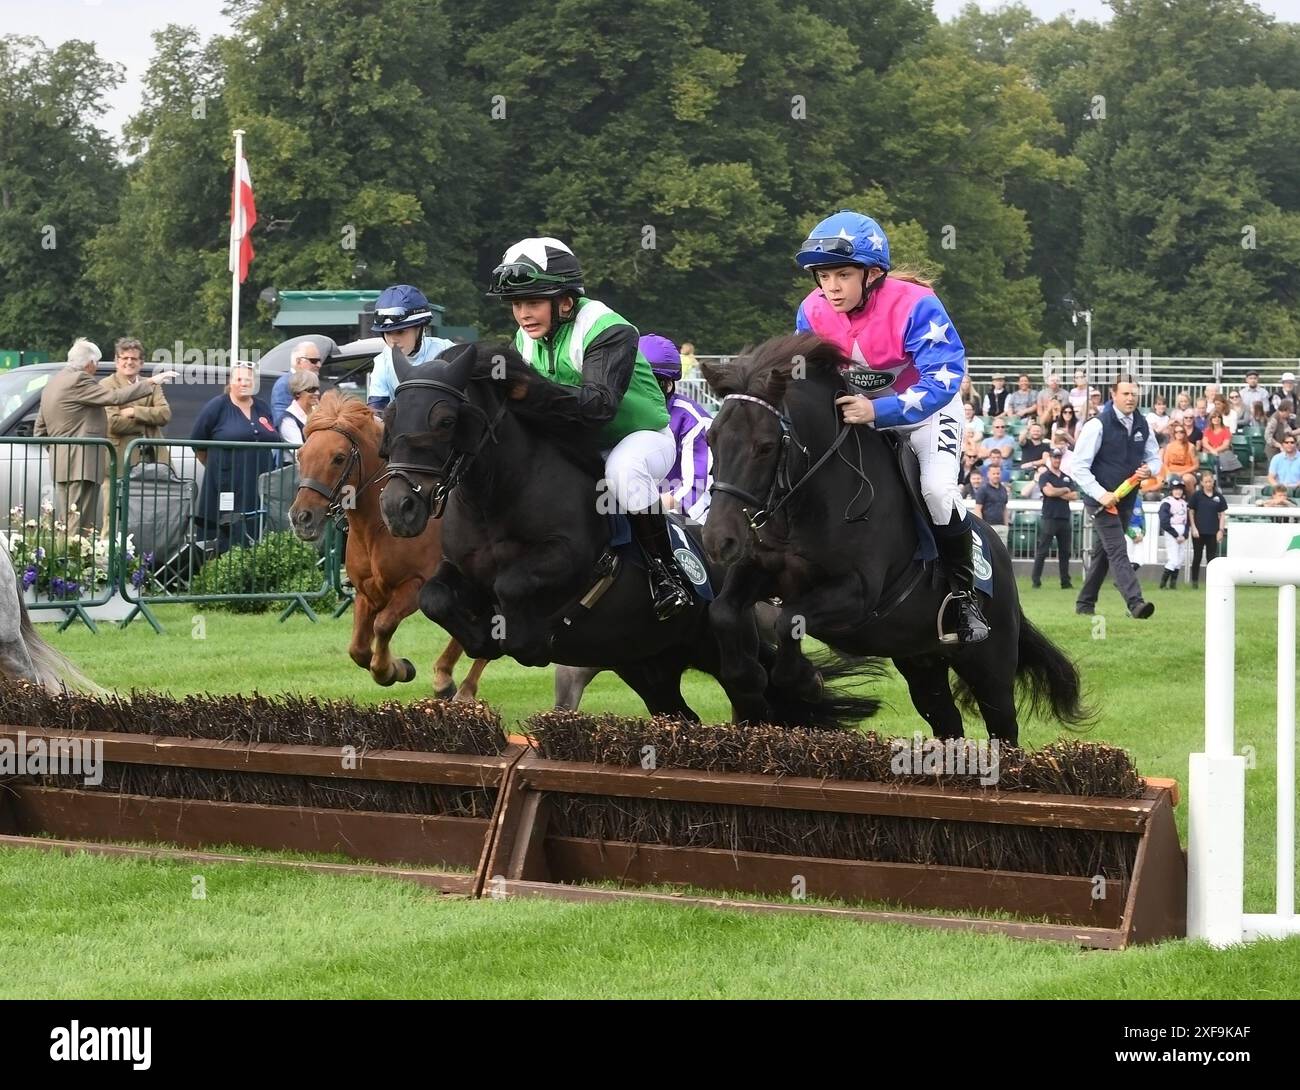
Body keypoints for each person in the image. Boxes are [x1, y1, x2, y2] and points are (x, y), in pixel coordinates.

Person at [795, 209, 989, 642]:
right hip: (860, 413)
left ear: (872, 274)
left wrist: (878, 412)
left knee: (938, 491)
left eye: (842, 275)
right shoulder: (811, 311)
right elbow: (810, 377)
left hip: (926, 412)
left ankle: (963, 597)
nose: (831, 287)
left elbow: (943, 376)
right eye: (823, 276)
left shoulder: (915, 304)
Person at [487, 236, 689, 619]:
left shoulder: (608, 328)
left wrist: (530, 391)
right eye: (516, 304)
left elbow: (598, 406)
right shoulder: (523, 339)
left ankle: (667, 575)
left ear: (565, 301)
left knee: (623, 472)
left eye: (533, 302)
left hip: (639, 437)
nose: (523, 314)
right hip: (581, 443)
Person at [34, 338, 177, 531]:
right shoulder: (80, 379)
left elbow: (39, 430)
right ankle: (71, 561)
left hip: (62, 463)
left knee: (68, 522)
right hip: (82, 463)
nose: (97, 367)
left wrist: (60, 452)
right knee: (78, 524)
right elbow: (114, 398)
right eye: (97, 363)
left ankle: (67, 559)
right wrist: (151, 382)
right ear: (90, 363)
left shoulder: (53, 382)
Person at [1071, 377, 1161, 619]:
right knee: (1118, 549)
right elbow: (1078, 466)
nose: (1130, 398)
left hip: (1127, 496)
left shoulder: (1142, 423)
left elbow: (1155, 457)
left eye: (1134, 393)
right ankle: (1136, 603)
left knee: (1105, 552)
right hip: (1100, 499)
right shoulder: (1097, 425)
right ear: (1114, 395)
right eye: (1125, 393)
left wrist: (1149, 470)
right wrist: (1102, 494)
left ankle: (1084, 604)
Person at [191, 361, 281, 554]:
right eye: (239, 379)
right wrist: (217, 466)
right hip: (227, 480)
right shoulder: (217, 406)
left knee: (257, 523)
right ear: (231, 382)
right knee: (227, 526)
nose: (244, 383)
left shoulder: (263, 407)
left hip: (258, 480)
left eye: (248, 380)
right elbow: (198, 441)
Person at [100, 336, 173, 532]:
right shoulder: (108, 385)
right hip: (119, 463)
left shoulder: (153, 385)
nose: (129, 362)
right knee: (112, 520)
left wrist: (134, 412)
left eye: (133, 358)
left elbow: (165, 414)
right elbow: (114, 423)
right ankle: (107, 560)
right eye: (124, 358)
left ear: (141, 362)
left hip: (152, 462)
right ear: (117, 361)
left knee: (147, 520)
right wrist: (147, 424)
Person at [639, 333, 712, 522]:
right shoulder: (617, 412)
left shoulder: (692, 419)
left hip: (686, 515)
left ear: (668, 385)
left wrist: (643, 509)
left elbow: (693, 488)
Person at [366, 284, 454, 412]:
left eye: (400, 332)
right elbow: (376, 413)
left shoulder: (447, 349)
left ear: (420, 327)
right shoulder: (382, 363)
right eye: (388, 333)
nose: (393, 340)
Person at [1031, 448, 1077, 589]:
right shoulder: (1045, 476)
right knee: (1043, 550)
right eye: (1054, 457)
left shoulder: (1066, 477)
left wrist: (1057, 491)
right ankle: (1036, 580)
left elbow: (1074, 495)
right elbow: (1048, 492)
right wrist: (1064, 490)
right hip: (1050, 517)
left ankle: (1065, 581)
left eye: (1059, 458)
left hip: (1064, 517)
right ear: (1050, 458)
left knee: (1065, 552)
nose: (1057, 460)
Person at [1187, 470, 1228, 589]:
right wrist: (1193, 527)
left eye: (1210, 481)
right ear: (1202, 483)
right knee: (1197, 557)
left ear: (1213, 482)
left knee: (1211, 558)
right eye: (1206, 482)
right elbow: (1191, 512)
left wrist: (1220, 530)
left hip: (1212, 531)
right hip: (1199, 531)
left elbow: (1222, 514)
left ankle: (1212, 582)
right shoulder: (1197, 496)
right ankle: (1194, 582)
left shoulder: (1218, 497)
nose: (1208, 484)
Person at [271, 341, 324, 426]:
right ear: (299, 361)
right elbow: (281, 422)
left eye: (319, 361)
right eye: (314, 361)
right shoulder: (284, 384)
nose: (319, 365)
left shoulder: (311, 382)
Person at [1157, 477, 1189, 590]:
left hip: (1182, 531)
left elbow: (1187, 520)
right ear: (1171, 490)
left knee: (1180, 559)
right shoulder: (1167, 502)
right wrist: (1176, 535)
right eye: (1175, 489)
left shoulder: (1184, 503)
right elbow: (1164, 521)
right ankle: (1163, 584)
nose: (1178, 491)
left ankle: (1173, 584)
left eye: (1180, 489)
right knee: (1173, 559)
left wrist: (1185, 534)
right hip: (1172, 531)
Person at [278, 370, 321, 449]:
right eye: (311, 390)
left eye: (317, 389)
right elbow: (299, 452)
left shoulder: (319, 413)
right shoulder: (288, 420)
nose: (317, 393)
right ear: (298, 392)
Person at [973, 462, 1009, 545]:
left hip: (1002, 527)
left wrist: (1006, 526)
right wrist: (981, 527)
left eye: (998, 473)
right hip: (988, 527)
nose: (996, 475)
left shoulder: (1003, 489)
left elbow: (1005, 508)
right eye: (994, 473)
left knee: (1002, 555)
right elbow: (978, 509)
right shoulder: (983, 489)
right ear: (988, 474)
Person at [1200, 410, 1234, 480]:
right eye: (1214, 417)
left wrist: (1215, 451)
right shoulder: (1207, 430)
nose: (1216, 419)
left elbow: (1226, 445)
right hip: (1209, 452)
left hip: (1222, 452)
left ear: (1221, 419)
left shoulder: (1226, 430)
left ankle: (1218, 480)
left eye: (1219, 417)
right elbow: (1205, 443)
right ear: (1211, 419)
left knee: (1217, 459)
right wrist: (1212, 450)